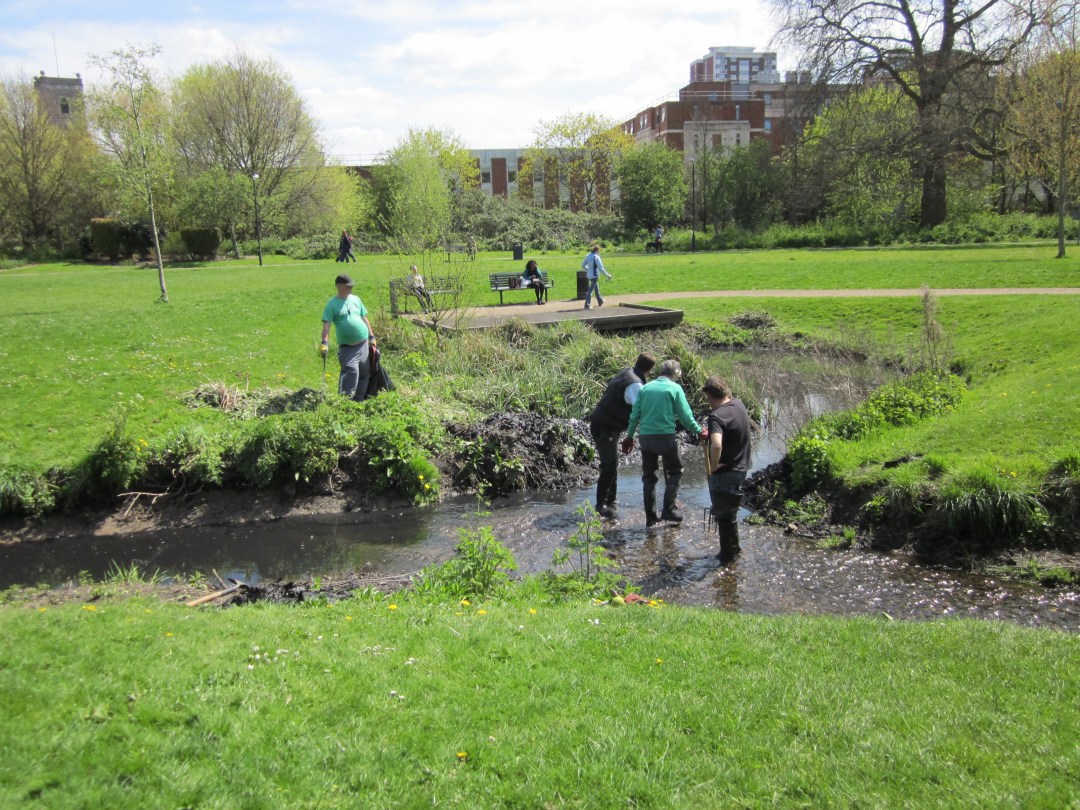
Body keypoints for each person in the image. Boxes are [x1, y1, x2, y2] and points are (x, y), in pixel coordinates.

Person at [623, 359, 701, 526]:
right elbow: (685, 416)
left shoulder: (645, 388)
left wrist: (629, 436)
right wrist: (699, 431)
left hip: (646, 440)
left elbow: (635, 415)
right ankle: (669, 509)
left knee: (649, 478)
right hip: (665, 438)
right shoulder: (675, 388)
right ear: (676, 374)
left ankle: (650, 519)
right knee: (675, 471)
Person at [589, 352, 657, 519]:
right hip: (605, 426)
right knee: (609, 465)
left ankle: (611, 501)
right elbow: (640, 411)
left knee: (612, 464)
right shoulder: (636, 385)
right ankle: (601, 505)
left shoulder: (626, 372)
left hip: (603, 422)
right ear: (650, 370)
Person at [703, 375, 753, 561]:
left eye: (708, 399)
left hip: (726, 471)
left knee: (723, 516)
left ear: (711, 396)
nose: (708, 404)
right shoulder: (738, 405)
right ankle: (735, 550)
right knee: (730, 514)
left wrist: (714, 466)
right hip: (742, 467)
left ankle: (727, 555)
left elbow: (716, 445)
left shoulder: (716, 416)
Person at [320, 274, 375, 401]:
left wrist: (372, 336)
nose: (351, 288)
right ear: (339, 286)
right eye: (348, 286)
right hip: (347, 347)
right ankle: (345, 401)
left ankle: (359, 400)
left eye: (352, 286)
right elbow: (327, 325)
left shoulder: (355, 299)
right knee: (351, 371)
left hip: (363, 343)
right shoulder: (332, 304)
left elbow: (363, 318)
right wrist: (324, 342)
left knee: (364, 372)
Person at [581, 244, 611, 310]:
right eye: (599, 250)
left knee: (596, 288)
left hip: (589, 275)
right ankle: (587, 305)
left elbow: (582, 265)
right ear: (597, 250)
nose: (599, 252)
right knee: (590, 291)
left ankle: (600, 301)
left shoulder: (588, 256)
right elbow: (601, 268)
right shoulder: (596, 257)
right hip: (594, 275)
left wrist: (588, 270)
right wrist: (607, 275)